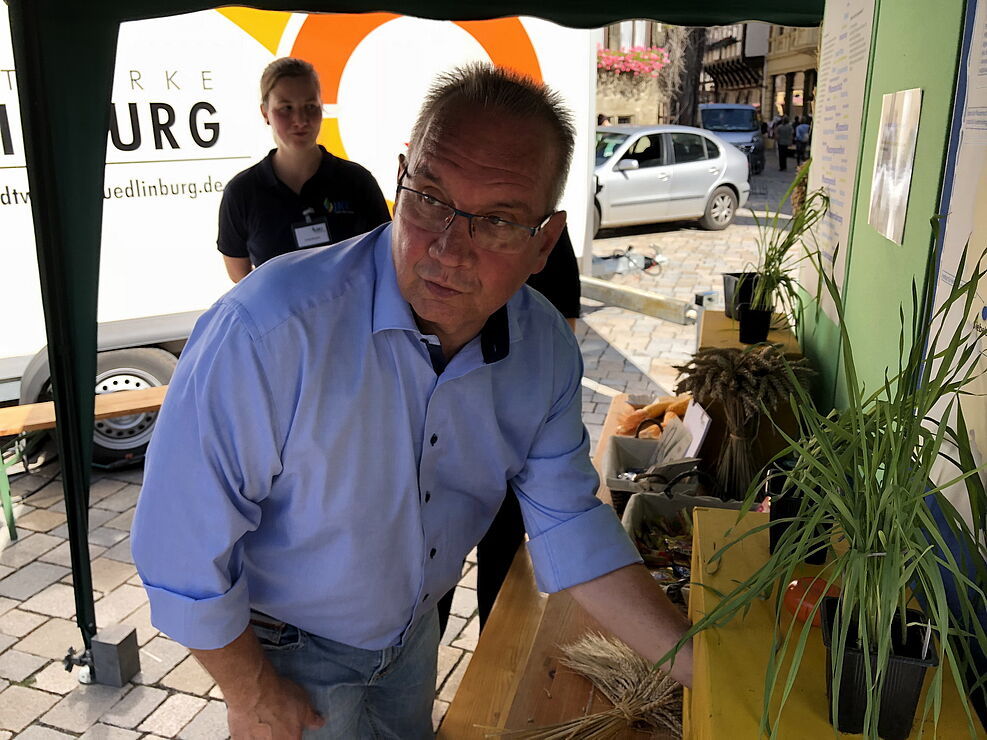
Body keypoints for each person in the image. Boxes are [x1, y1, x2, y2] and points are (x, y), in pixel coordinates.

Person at [132, 63, 692, 739]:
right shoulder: (269, 329)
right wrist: (250, 693)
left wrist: (700, 667)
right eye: (430, 198)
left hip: (413, 636)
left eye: (496, 220)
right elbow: (177, 546)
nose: (448, 251)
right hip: (283, 654)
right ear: (400, 179)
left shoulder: (541, 349)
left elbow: (568, 523)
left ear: (545, 241)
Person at [436, 225, 580, 637]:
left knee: (501, 565)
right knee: (431, 568)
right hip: (446, 433)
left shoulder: (543, 234)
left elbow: (563, 324)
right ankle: (426, 651)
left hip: (512, 432)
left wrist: (511, 390)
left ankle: (492, 653)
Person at [217, 58, 391, 282]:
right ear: (265, 113)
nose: (300, 120)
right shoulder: (242, 193)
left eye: (310, 106)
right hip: (280, 318)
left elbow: (384, 258)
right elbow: (241, 278)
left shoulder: (357, 182)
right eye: (286, 108)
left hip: (352, 316)